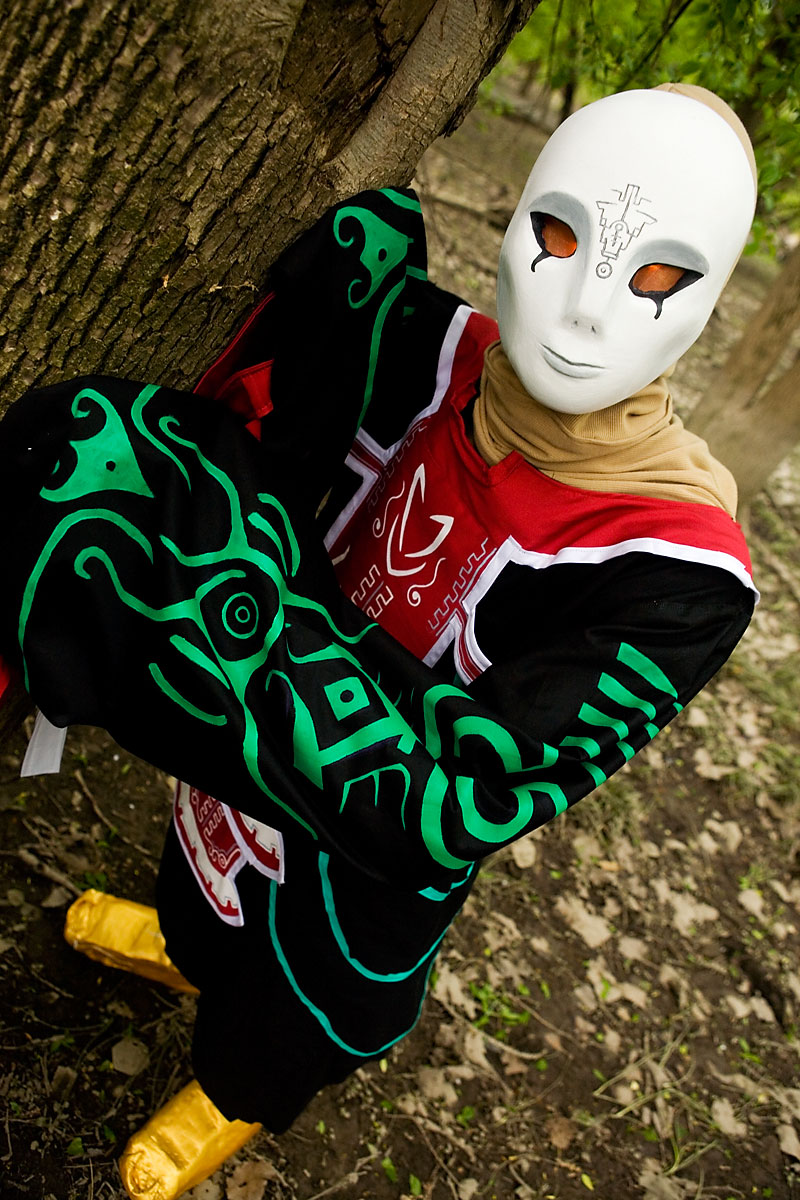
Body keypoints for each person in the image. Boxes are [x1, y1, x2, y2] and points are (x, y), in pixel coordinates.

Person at [0, 83, 758, 1200]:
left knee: (296, 992)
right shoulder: (426, 346)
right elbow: (280, 422)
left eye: (655, 278)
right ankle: (183, 946)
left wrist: (224, 595)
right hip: (241, 761)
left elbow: (460, 797)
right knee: (207, 874)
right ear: (516, 217)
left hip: (362, 860)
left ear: (706, 299)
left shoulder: (680, 571)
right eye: (559, 237)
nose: (588, 309)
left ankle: (231, 1094)